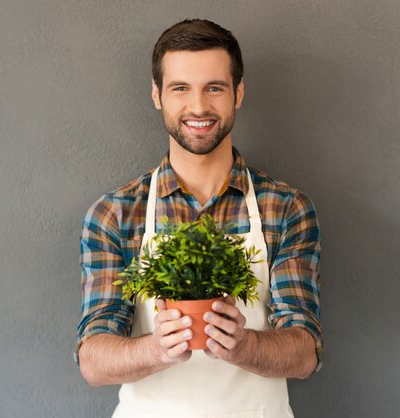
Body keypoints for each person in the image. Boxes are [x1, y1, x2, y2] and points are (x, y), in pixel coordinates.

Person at [75, 19, 323, 418]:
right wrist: (156, 349)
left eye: (214, 88)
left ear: (238, 93)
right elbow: (93, 359)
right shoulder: (116, 214)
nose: (198, 107)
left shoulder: (284, 208)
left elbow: (305, 352)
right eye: (180, 88)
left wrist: (244, 345)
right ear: (157, 95)